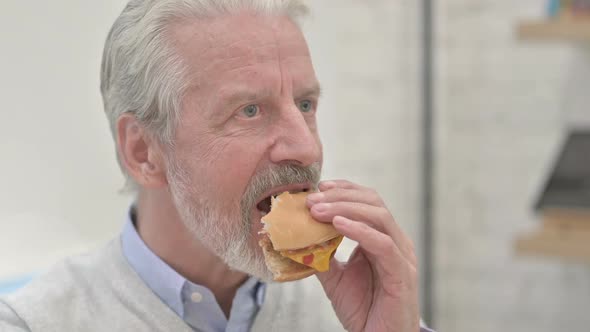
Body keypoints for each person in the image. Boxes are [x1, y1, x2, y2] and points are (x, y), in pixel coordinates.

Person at [0, 1, 434, 331]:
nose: (305, 147)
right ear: (144, 152)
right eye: (249, 111)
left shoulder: (354, 308)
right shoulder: (32, 322)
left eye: (305, 104)